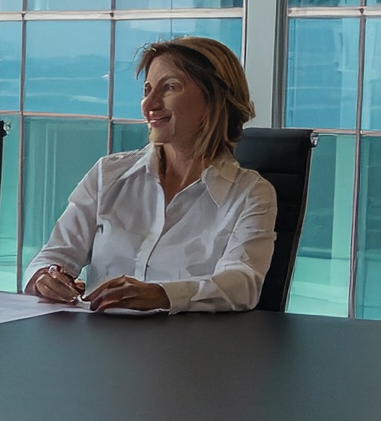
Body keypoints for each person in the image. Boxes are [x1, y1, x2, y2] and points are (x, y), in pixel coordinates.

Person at [24, 35, 277, 312]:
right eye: (147, 90)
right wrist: (46, 278)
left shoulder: (250, 194)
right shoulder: (108, 174)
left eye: (170, 87)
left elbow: (242, 284)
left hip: (187, 338)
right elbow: (53, 256)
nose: (149, 104)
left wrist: (162, 295)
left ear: (214, 99)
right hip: (97, 333)